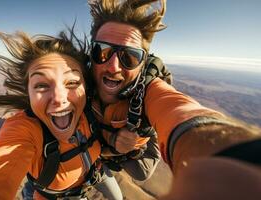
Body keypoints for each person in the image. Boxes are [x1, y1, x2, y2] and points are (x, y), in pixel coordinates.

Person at [87, 0, 261, 191]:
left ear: (142, 64)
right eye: (102, 52)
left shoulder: (150, 89)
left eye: (129, 56)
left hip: (135, 135)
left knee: (141, 172)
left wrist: (237, 158)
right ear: (90, 53)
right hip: (101, 143)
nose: (113, 67)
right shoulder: (74, 84)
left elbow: (179, 110)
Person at [0, 28, 123, 200]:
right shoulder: (25, 129)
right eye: (41, 85)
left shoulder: (91, 110)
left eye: (73, 82)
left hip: (96, 172)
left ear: (85, 87)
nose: (59, 99)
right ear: (28, 92)